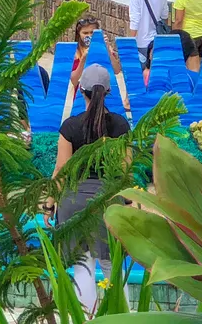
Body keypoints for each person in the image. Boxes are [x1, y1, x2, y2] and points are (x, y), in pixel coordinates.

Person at [51, 65, 130, 312]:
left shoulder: (70, 127)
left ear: (81, 91)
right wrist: (130, 202)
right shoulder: (120, 126)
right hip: (108, 202)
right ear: (108, 92)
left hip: (73, 202)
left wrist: (48, 204)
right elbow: (125, 170)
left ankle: (86, 317)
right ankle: (120, 317)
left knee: (82, 266)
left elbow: (61, 170)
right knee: (112, 266)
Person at [127, 0, 168, 69]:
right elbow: (164, 15)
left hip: (142, 43)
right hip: (158, 40)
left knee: (143, 74)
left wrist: (130, 43)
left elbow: (135, 21)